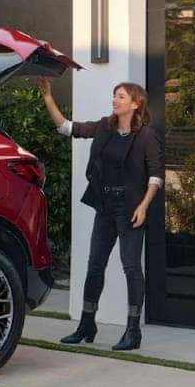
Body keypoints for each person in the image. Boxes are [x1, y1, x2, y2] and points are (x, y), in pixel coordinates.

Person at [36, 77, 164, 351]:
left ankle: (132, 331)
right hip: (105, 206)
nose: (115, 100)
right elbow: (66, 128)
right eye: (114, 95)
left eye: (120, 96)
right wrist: (48, 97)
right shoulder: (105, 128)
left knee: (131, 266)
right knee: (95, 265)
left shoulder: (146, 136)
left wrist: (143, 206)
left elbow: (156, 176)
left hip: (130, 208)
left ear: (135, 103)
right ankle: (86, 323)